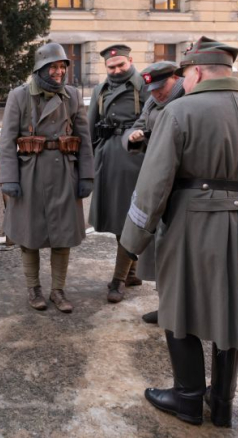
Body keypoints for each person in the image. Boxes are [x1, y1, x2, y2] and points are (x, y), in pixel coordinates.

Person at [121, 37, 238, 427]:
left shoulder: (179, 113)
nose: (183, 82)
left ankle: (188, 399)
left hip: (192, 226)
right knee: (234, 312)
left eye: (185, 75)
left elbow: (153, 184)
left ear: (196, 71)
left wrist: (133, 239)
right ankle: (223, 402)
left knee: (180, 309)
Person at [0, 43, 93, 313]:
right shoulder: (19, 96)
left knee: (63, 236)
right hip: (30, 173)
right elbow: (7, 142)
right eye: (53, 66)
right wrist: (10, 179)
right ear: (40, 68)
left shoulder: (72, 96)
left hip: (64, 171)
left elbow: (84, 139)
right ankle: (34, 288)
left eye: (62, 66)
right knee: (29, 236)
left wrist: (86, 175)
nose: (59, 71)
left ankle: (58, 290)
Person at [121, 60, 185, 324]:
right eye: (153, 90)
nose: (157, 93)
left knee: (179, 253)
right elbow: (138, 125)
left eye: (162, 87)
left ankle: (182, 309)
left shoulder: (187, 100)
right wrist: (134, 136)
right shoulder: (153, 102)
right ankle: (166, 307)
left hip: (182, 185)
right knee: (160, 248)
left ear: (176, 78)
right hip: (158, 181)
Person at [87, 44, 149, 303]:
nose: (116, 70)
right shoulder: (100, 89)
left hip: (132, 157)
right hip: (106, 157)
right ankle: (132, 272)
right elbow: (90, 124)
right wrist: (88, 161)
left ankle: (118, 280)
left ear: (131, 61)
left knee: (128, 219)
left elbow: (153, 118)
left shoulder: (143, 87)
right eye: (111, 67)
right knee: (116, 218)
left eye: (121, 65)